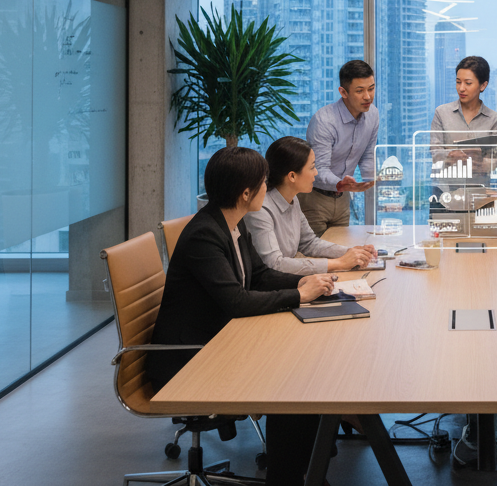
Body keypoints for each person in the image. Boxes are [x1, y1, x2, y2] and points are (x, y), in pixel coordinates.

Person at [147, 146, 338, 486]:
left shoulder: (231, 224)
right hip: (189, 359)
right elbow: (236, 301)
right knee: (295, 380)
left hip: (218, 340)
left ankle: (306, 467)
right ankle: (290, 477)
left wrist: (304, 282)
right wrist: (299, 296)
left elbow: (260, 275)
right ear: (246, 193)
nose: (268, 187)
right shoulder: (206, 234)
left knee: (307, 365)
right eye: (263, 182)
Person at [249, 136, 379, 274]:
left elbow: (309, 243)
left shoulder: (292, 199)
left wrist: (351, 252)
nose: (316, 172)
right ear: (292, 176)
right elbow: (274, 264)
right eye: (312, 167)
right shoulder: (260, 210)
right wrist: (339, 263)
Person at [302, 59, 379, 236]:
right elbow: (319, 169)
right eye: (359, 91)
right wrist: (340, 183)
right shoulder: (324, 121)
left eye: (371, 88)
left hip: (343, 197)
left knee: (341, 247)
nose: (368, 96)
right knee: (316, 250)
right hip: (314, 197)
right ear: (343, 92)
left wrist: (371, 180)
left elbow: (368, 154)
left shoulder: (373, 114)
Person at [429, 55, 497, 191]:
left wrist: (479, 163)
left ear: (483, 85)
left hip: (479, 191)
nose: (461, 88)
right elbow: (435, 152)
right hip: (445, 191)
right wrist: (451, 155)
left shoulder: (494, 119)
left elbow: (493, 160)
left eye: (468, 83)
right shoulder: (441, 113)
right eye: (458, 82)